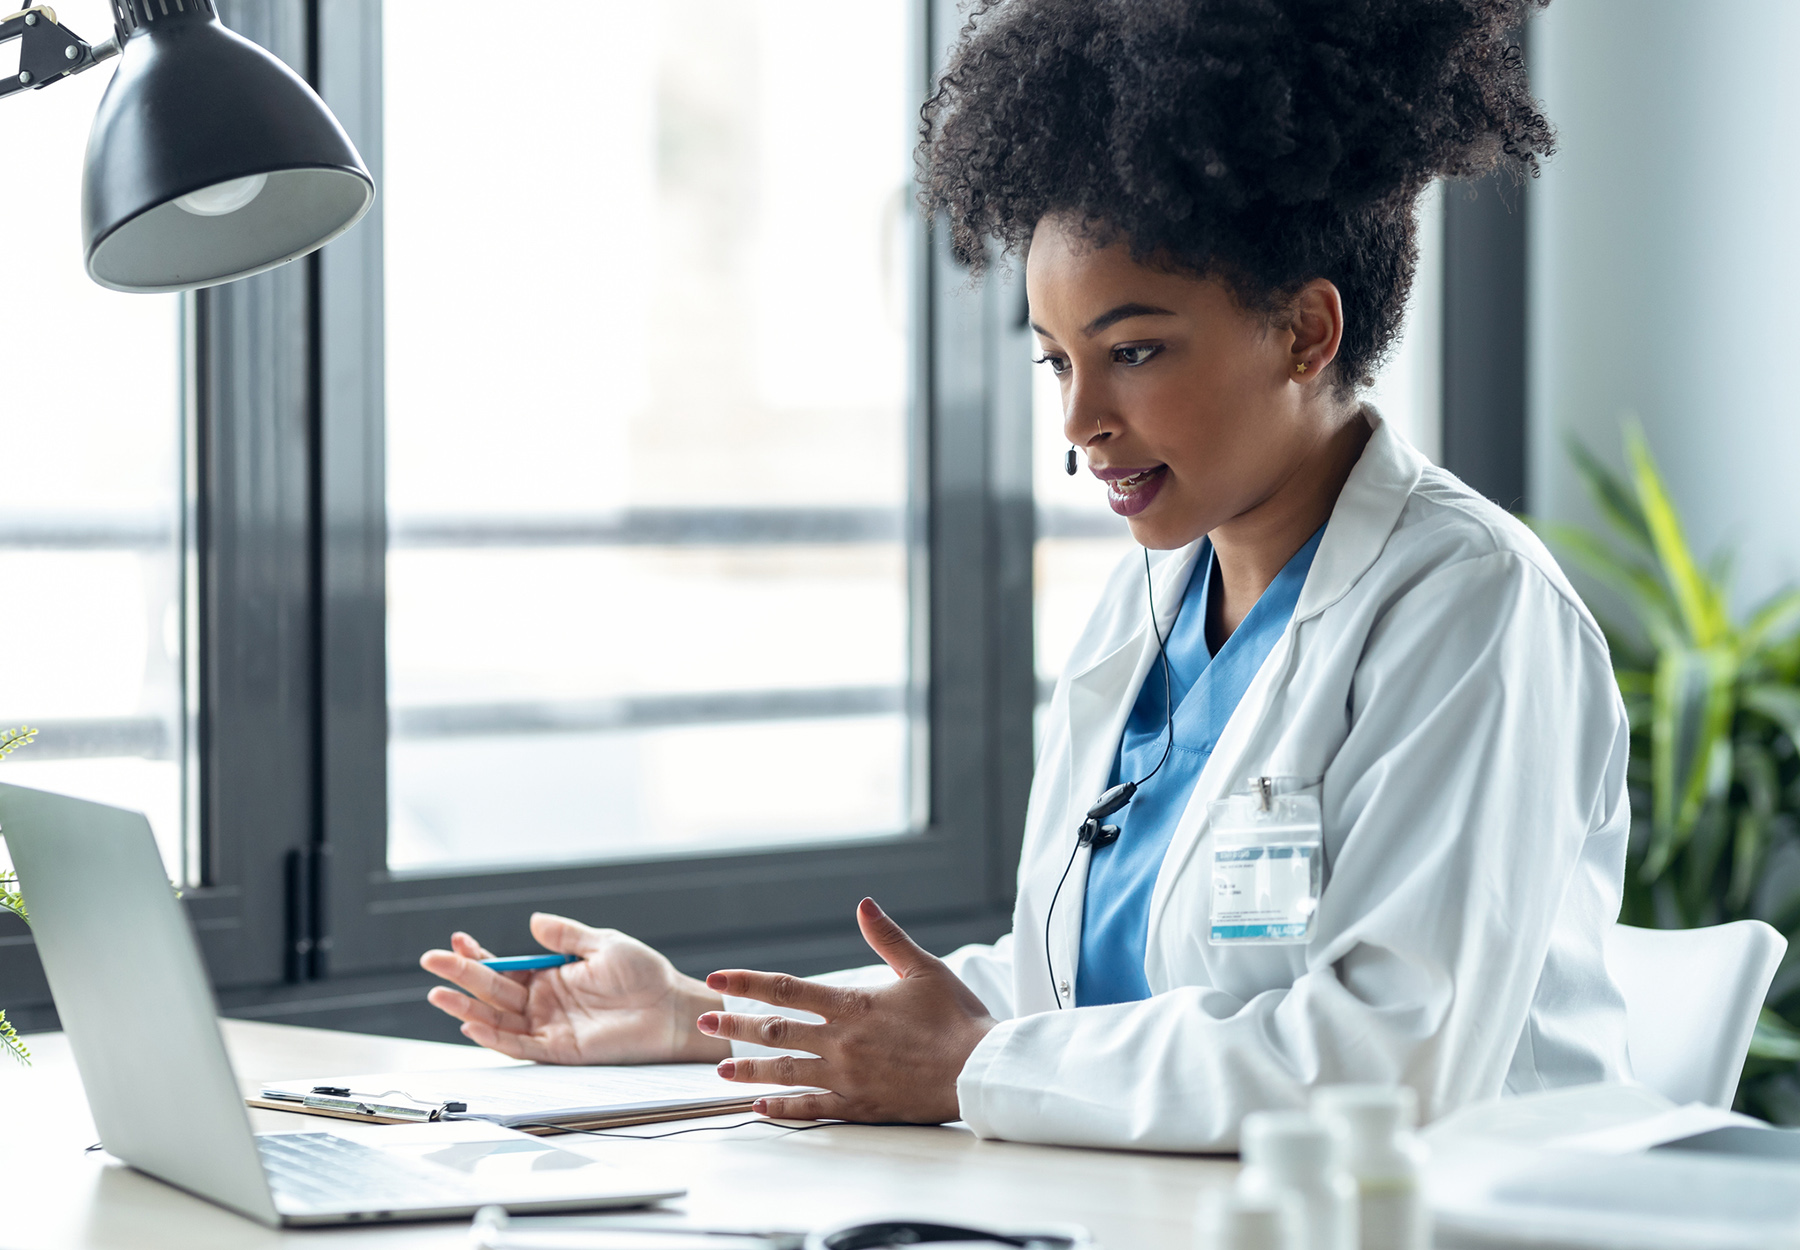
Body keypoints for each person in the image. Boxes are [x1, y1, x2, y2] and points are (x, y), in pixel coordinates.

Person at [421, 0, 1632, 1152]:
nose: (1081, 420)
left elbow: (1391, 1058)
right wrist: (698, 1015)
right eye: (1057, 360)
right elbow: (1070, 986)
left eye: (1135, 351)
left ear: (1306, 334)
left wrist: (974, 1069)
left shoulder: (1472, 608)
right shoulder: (1150, 608)